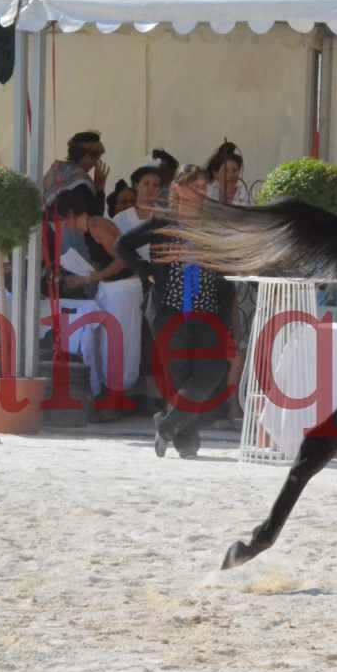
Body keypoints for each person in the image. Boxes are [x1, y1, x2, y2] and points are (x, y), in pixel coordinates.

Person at [117, 166, 236, 458]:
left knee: (213, 369)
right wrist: (146, 272)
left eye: (203, 189)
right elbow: (124, 245)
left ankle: (166, 425)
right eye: (194, 188)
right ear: (177, 190)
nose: (200, 194)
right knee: (181, 377)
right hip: (171, 311)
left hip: (209, 310)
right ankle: (186, 441)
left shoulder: (212, 223)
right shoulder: (164, 222)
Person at [44, 185, 143, 419]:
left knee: (120, 342)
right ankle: (110, 396)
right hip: (110, 288)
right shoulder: (88, 230)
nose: (63, 226)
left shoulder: (98, 227)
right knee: (106, 342)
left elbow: (122, 261)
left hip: (124, 289)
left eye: (62, 220)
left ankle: (117, 399)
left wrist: (90, 277)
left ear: (70, 215)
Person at [41, 131, 110, 208]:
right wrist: (99, 188)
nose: (96, 162)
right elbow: (93, 215)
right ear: (83, 154)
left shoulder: (58, 168)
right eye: (95, 156)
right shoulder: (81, 182)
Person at [112, 166, 164, 260]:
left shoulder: (166, 218)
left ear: (159, 190)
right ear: (136, 185)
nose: (150, 189)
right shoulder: (119, 219)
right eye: (146, 183)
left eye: (155, 185)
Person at [205, 139, 250, 206]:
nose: (230, 175)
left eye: (234, 170)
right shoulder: (206, 195)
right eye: (225, 170)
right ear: (215, 174)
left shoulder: (248, 197)